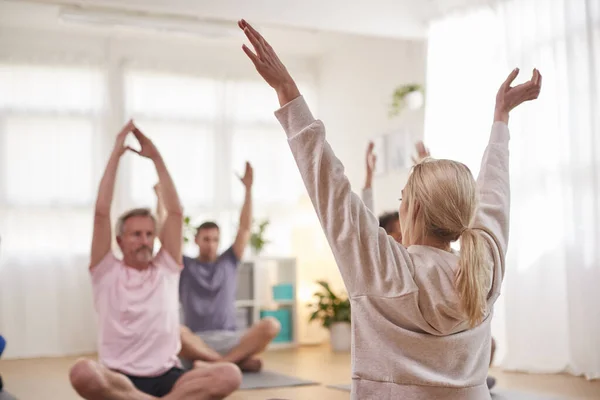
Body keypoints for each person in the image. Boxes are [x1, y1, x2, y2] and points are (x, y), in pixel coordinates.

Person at [238, 18, 541, 399]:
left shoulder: (386, 269)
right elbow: (497, 194)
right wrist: (501, 120)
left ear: (412, 208)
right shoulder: (484, 269)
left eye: (402, 198)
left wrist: (286, 90)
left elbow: (328, 184)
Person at [69, 121, 241, 400]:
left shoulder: (166, 268)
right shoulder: (105, 269)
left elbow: (175, 212)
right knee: (82, 372)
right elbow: (101, 212)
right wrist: (116, 153)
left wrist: (156, 158)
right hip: (119, 378)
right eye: (136, 234)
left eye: (149, 234)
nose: (145, 240)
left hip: (167, 377)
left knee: (230, 374)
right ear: (120, 240)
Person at [363, 139, 498, 389]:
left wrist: (427, 171)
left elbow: (361, 232)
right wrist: (369, 180)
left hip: (445, 365)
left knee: (490, 343)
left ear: (415, 212)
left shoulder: (466, 264)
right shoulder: (394, 261)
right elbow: (368, 228)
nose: (401, 235)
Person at [155, 162, 280, 373]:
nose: (211, 244)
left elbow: (245, 228)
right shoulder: (184, 264)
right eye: (206, 239)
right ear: (196, 240)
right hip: (196, 342)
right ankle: (235, 362)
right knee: (175, 331)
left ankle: (218, 364)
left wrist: (248, 189)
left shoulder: (229, 261)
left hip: (230, 338)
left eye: (215, 239)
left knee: (271, 324)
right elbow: (163, 235)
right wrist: (159, 197)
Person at [361, 140, 430, 243]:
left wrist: (424, 171)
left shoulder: (416, 252)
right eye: (395, 232)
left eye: (403, 230)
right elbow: (366, 220)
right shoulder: (379, 253)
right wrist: (369, 174)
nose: (401, 236)